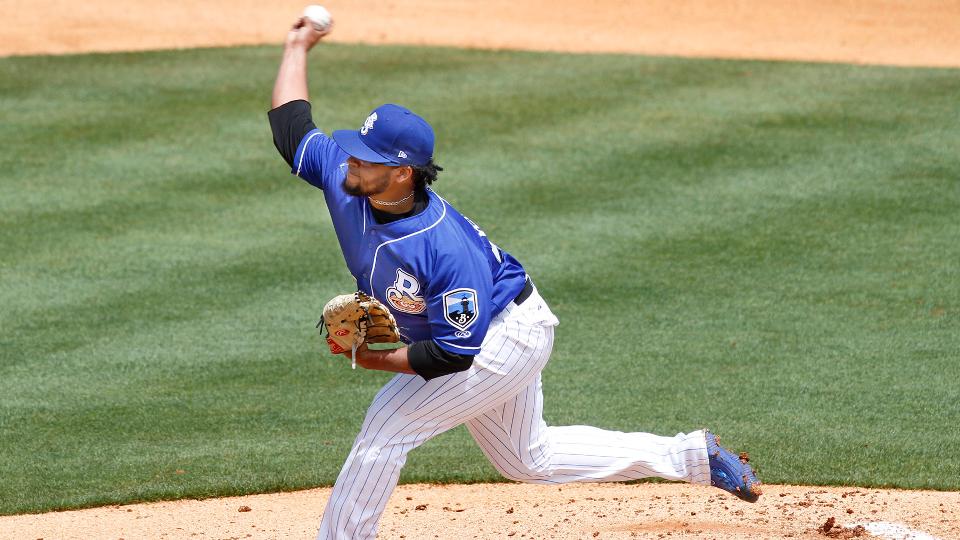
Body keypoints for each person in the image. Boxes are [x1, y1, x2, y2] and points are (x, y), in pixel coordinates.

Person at [268, 16, 762, 540]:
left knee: (386, 428)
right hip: (487, 329)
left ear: (402, 172)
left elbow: (453, 354)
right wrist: (297, 45)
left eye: (367, 159)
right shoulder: (344, 178)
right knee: (528, 459)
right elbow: (290, 125)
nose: (351, 162)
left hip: (506, 336)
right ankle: (694, 457)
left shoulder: (442, 246)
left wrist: (373, 358)